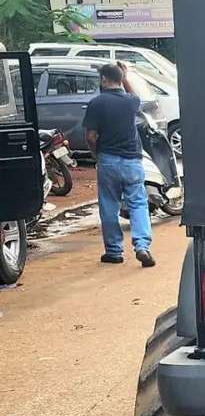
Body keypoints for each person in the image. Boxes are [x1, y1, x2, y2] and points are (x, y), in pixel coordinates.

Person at [83, 62, 155, 267]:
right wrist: (125, 76)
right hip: (133, 161)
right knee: (138, 203)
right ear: (120, 79)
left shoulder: (96, 103)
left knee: (109, 205)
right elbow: (135, 97)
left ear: (104, 79)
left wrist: (97, 154)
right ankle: (142, 246)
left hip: (108, 160)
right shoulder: (130, 101)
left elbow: (90, 136)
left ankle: (114, 251)